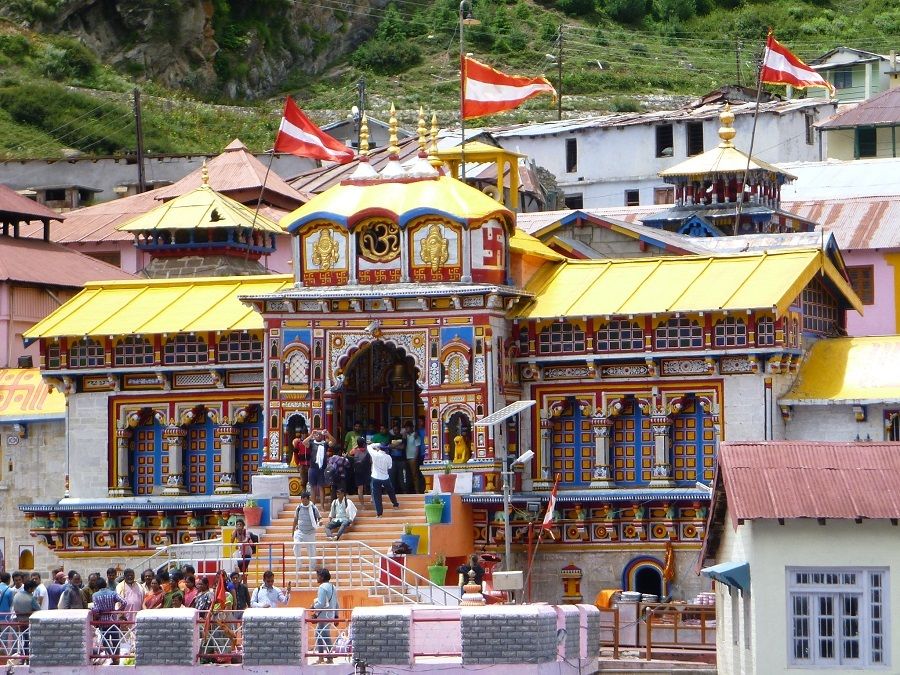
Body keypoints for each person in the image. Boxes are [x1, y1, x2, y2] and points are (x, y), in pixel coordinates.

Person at [91, 578, 126, 664]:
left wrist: (96, 612)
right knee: (116, 640)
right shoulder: (113, 593)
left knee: (105, 641)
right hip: (113, 621)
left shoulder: (95, 595)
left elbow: (96, 609)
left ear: (97, 586)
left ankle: (111, 656)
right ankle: (116, 658)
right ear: (105, 585)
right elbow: (124, 602)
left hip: (103, 622)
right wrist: (118, 611)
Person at [312, 568, 338, 663]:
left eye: (318, 576)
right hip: (330, 614)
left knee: (322, 635)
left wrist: (313, 607)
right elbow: (336, 603)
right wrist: (336, 616)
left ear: (322, 577)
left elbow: (321, 603)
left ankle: (327, 657)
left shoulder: (322, 587)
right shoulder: (333, 587)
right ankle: (324, 656)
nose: (317, 578)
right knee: (321, 634)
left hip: (323, 615)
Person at [291, 491, 321, 576]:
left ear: (308, 499)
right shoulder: (298, 508)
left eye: (305, 500)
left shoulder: (313, 508)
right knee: (296, 546)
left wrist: (320, 522)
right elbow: (295, 519)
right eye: (302, 500)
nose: (304, 502)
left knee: (312, 551)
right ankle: (299, 564)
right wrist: (292, 531)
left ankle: (312, 567)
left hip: (310, 533)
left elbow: (319, 518)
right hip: (300, 531)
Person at [305, 428, 335, 509]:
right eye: (316, 434)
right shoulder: (312, 443)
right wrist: (311, 435)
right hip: (312, 468)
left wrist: (328, 434)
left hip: (322, 469)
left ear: (322, 436)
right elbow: (304, 442)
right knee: (313, 487)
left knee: (321, 487)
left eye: (320, 434)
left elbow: (334, 442)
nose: (318, 436)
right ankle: (313, 506)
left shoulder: (325, 443)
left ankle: (322, 506)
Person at [369, 442, 400, 517]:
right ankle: (395, 504)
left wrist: (376, 444)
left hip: (375, 477)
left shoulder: (374, 454)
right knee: (390, 491)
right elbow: (389, 467)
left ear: (379, 448)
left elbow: (369, 446)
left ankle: (379, 514)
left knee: (377, 496)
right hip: (385, 477)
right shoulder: (388, 457)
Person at [12, 579, 39, 655]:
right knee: (28, 640)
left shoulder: (16, 595)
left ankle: (23, 655)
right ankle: (27, 656)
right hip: (28, 623)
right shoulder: (30, 598)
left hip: (19, 621)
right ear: (30, 589)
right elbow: (39, 610)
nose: (33, 590)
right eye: (33, 589)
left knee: (22, 639)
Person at [349, 437, 372, 508]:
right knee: (371, 486)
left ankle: (362, 505)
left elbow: (350, 453)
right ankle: (372, 499)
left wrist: (357, 446)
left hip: (358, 472)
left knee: (360, 489)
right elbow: (371, 461)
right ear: (364, 444)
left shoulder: (355, 451)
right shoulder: (368, 450)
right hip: (367, 471)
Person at [403, 420, 423, 494]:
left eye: (408, 427)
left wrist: (415, 458)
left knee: (415, 475)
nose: (406, 429)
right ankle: (409, 491)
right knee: (408, 475)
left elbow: (418, 447)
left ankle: (417, 491)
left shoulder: (415, 435)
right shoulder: (406, 436)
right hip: (406, 457)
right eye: (405, 428)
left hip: (413, 458)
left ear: (412, 427)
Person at [387, 421, 406, 493]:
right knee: (392, 476)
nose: (395, 431)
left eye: (397, 430)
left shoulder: (403, 437)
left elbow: (402, 447)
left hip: (401, 460)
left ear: (399, 430)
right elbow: (389, 446)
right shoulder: (391, 437)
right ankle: (392, 491)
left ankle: (404, 491)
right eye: (394, 430)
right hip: (393, 460)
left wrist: (394, 446)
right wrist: (397, 445)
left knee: (402, 477)